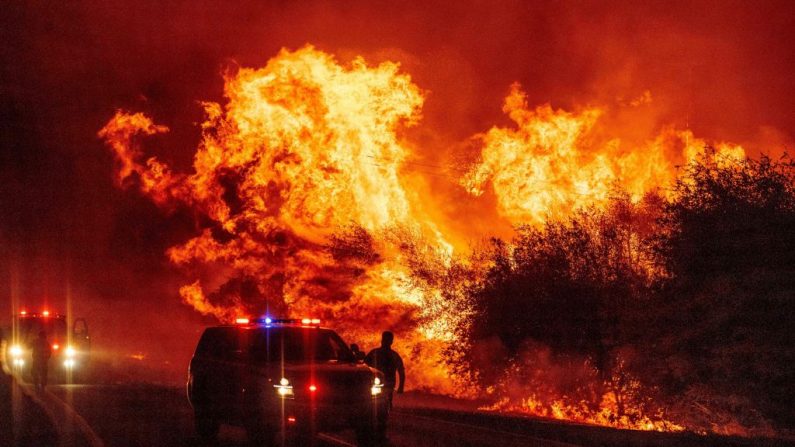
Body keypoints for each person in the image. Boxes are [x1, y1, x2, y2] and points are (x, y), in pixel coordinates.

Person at [365, 331, 405, 408]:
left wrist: (401, 386)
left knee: (385, 402)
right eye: (385, 339)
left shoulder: (376, 352)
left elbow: (401, 371)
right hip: (375, 383)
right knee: (376, 402)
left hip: (387, 384)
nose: (385, 341)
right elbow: (364, 367)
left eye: (387, 340)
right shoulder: (376, 353)